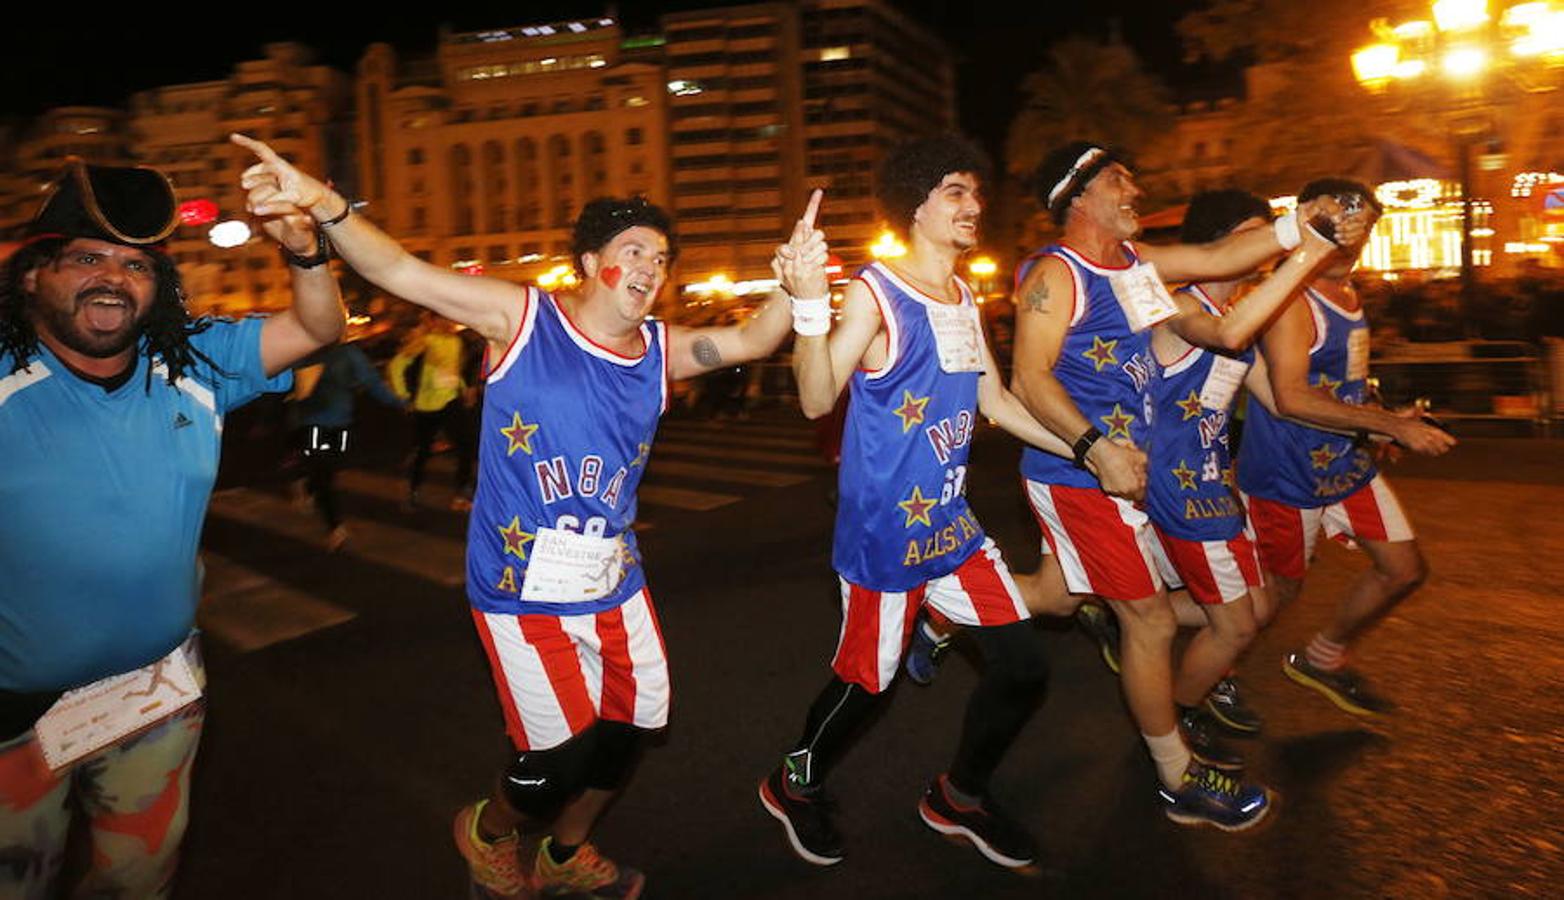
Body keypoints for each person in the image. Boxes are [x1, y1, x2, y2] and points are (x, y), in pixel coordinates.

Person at [232, 132, 797, 900]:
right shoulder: (523, 318)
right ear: (592, 259)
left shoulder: (663, 350)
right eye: (635, 251)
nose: (650, 269)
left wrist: (794, 284)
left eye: (661, 259)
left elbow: (757, 338)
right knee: (555, 761)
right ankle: (489, 833)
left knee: (629, 734)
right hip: (520, 589)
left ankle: (567, 855)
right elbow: (398, 269)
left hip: (614, 584)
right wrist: (324, 203)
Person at [0, 157, 344, 897]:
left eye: (135, 265)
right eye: (87, 258)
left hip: (157, 698)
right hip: (13, 723)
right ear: (32, 276)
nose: (113, 279)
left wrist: (304, 248)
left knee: (139, 881)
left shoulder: (193, 362)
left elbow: (319, 324)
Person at [1008, 141, 1366, 831]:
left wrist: (1306, 226)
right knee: (1148, 618)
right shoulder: (1056, 273)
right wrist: (1096, 448)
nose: (1134, 189)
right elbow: (1030, 376)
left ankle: (943, 608)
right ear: (1078, 197)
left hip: (1123, 475)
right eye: (1119, 179)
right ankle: (1176, 776)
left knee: (1058, 595)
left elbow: (1223, 259)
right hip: (1077, 472)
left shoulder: (1136, 268)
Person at [760, 136, 1076, 870]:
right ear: (915, 204)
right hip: (884, 539)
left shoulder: (964, 295)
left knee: (1024, 666)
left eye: (975, 192)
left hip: (953, 529)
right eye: (954, 192)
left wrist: (1088, 449)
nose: (973, 205)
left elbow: (993, 398)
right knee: (867, 685)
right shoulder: (879, 292)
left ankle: (959, 798)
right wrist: (809, 305)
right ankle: (792, 782)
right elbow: (815, 398)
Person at [1236, 177, 1456, 717]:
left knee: (1404, 570)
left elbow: (1345, 380)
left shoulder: (1351, 294)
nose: (1350, 237)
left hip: (1345, 463)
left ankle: (1322, 657)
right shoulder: (1291, 298)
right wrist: (1389, 425)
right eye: (1340, 222)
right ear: (1312, 220)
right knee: (1274, 597)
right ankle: (1211, 671)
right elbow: (1289, 397)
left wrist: (1381, 422)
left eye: (1362, 226)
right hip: (1286, 474)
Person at [1142, 189, 1340, 766]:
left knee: (1253, 609)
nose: (1269, 241)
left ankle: (1120, 609)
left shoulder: (1242, 313)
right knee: (1235, 626)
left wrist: (1366, 427)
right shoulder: (1179, 306)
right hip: (1174, 488)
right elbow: (1225, 339)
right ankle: (1177, 718)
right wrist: (1304, 255)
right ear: (1222, 241)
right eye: (1259, 231)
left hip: (1213, 487)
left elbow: (1280, 403)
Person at [289, 336, 407, 550]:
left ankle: (307, 485)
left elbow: (372, 381)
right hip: (312, 423)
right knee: (323, 471)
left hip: (341, 422)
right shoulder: (304, 351)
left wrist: (397, 401)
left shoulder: (348, 353)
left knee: (331, 467)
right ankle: (335, 527)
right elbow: (286, 384)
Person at [389, 309, 477, 511]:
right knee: (422, 450)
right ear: (435, 321)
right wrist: (403, 396)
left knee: (466, 443)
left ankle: (462, 493)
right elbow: (396, 366)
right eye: (445, 318)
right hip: (426, 405)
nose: (450, 322)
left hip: (450, 400)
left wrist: (464, 389)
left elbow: (452, 370)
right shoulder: (425, 341)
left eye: (451, 318)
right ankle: (412, 489)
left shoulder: (456, 342)